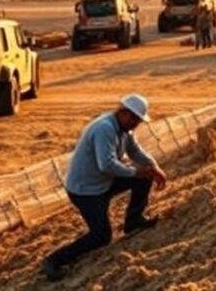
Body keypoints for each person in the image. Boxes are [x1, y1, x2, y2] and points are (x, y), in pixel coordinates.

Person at [42, 94, 167, 281]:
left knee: (144, 177)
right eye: (134, 119)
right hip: (86, 191)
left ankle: (133, 221)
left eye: (138, 121)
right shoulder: (105, 128)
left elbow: (134, 151)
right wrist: (136, 172)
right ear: (124, 113)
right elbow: (106, 164)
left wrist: (153, 167)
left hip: (104, 182)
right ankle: (54, 260)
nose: (136, 124)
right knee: (101, 236)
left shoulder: (125, 129)